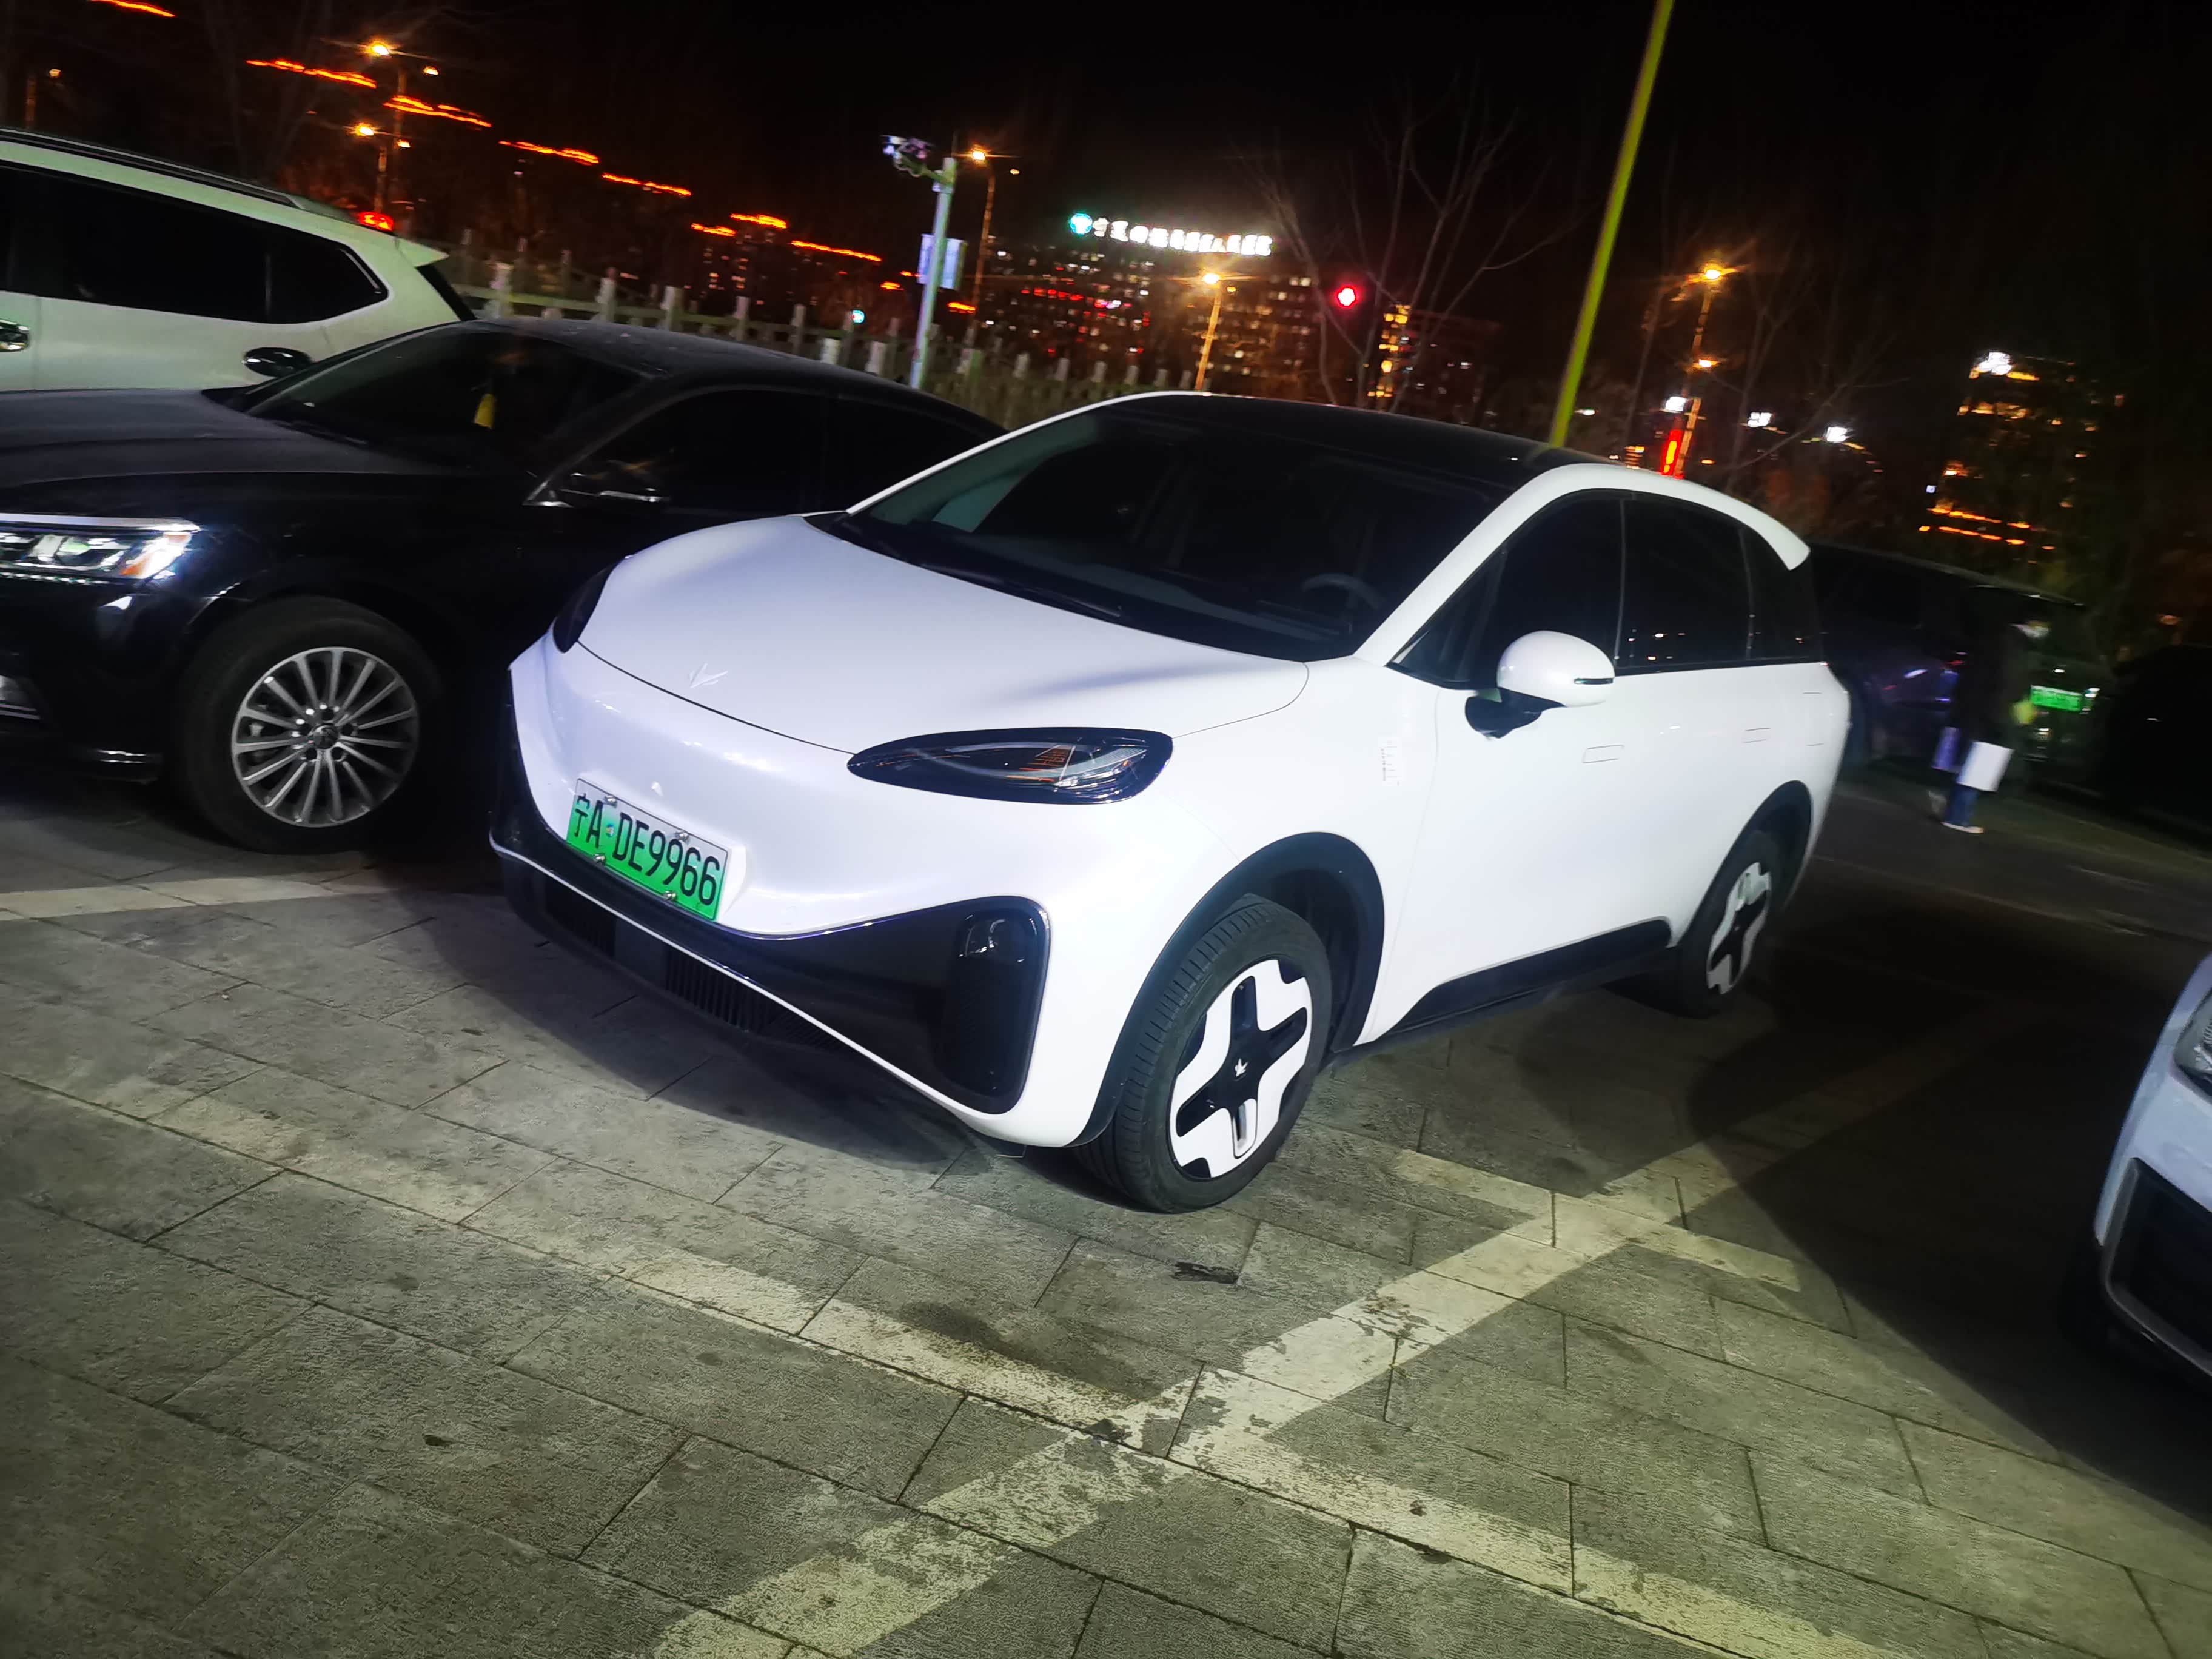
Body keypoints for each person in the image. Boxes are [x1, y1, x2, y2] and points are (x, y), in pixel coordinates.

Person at [1939, 605, 2046, 834]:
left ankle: (1954, 813)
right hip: (1991, 716)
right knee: (1977, 768)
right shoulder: (2012, 648)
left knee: (1968, 764)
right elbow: (2006, 686)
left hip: (1976, 712)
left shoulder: (1997, 641)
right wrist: (2002, 721)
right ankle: (1959, 818)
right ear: (2031, 624)